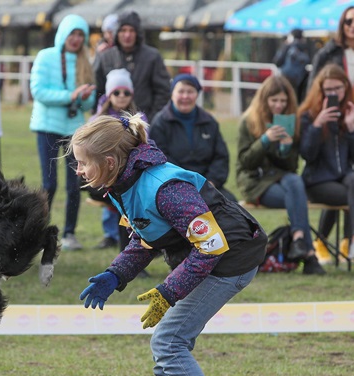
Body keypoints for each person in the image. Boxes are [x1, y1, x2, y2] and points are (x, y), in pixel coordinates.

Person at [69, 113, 267, 376]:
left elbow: (210, 246)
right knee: (167, 349)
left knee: (169, 342)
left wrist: (167, 292)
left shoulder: (164, 187)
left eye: (83, 162)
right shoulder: (125, 183)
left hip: (231, 259)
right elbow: (146, 236)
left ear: (109, 162)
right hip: (213, 258)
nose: (78, 170)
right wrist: (116, 274)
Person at [236, 74, 325, 275]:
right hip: (256, 181)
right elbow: (245, 162)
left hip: (284, 179)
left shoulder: (290, 122)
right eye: (274, 100)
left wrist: (286, 148)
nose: (279, 105)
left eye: (283, 101)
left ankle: (299, 239)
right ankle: (309, 255)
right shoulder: (248, 121)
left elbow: (291, 167)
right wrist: (265, 141)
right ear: (264, 99)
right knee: (296, 195)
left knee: (295, 181)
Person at [307, 6, 354, 262]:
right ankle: (322, 241)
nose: (353, 26)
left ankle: (349, 241)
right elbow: (314, 90)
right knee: (333, 178)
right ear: (342, 24)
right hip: (328, 128)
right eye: (349, 21)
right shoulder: (328, 53)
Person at [298, 64, 354, 277]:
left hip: (345, 179)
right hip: (317, 182)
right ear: (320, 90)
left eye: (337, 89)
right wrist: (317, 125)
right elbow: (307, 154)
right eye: (328, 90)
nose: (333, 94)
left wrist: (351, 128)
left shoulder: (353, 113)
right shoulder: (308, 115)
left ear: (346, 88)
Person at [29, 14, 96, 251]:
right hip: (47, 126)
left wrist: (85, 99)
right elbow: (38, 91)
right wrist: (71, 96)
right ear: (63, 34)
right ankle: (39, 233)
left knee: (75, 183)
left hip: (74, 130)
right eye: (72, 34)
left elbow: (88, 106)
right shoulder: (45, 57)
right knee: (49, 183)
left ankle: (69, 234)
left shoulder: (85, 62)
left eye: (81, 35)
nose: (76, 39)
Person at [150, 73, 236, 201]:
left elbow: (221, 156)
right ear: (172, 94)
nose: (185, 96)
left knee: (233, 206)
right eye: (181, 91)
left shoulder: (209, 122)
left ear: (197, 94)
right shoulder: (160, 123)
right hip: (173, 186)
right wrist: (185, 182)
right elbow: (160, 159)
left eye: (190, 92)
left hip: (207, 185)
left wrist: (211, 182)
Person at [88, 68, 147, 251]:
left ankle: (134, 249)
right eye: (116, 92)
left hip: (131, 175)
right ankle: (119, 243)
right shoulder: (97, 120)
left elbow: (145, 146)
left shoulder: (139, 120)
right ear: (108, 94)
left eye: (126, 92)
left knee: (130, 211)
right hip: (105, 177)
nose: (121, 96)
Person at [93, 10, 170, 122]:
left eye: (131, 30)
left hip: (143, 122)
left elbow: (163, 92)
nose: (127, 35)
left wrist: (151, 119)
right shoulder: (105, 57)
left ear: (137, 33)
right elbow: (97, 90)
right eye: (123, 30)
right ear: (117, 33)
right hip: (111, 124)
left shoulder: (152, 57)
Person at [273, 29, 311, 103]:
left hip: (286, 78)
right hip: (300, 80)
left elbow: (277, 62)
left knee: (286, 100)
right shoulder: (303, 46)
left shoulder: (288, 46)